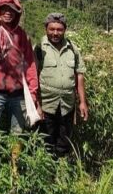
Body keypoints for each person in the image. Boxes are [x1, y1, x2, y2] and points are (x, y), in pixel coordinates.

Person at [0, 0, 41, 134]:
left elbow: (30, 65)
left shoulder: (22, 35)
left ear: (17, 13)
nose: (8, 12)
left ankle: (15, 157)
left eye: (12, 10)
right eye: (4, 9)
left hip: (17, 94)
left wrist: (33, 92)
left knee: (17, 133)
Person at [35, 12, 89, 157]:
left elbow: (80, 74)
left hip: (67, 104)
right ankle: (46, 172)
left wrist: (82, 102)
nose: (55, 33)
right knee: (46, 141)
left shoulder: (72, 48)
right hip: (46, 104)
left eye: (59, 29)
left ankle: (61, 172)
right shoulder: (39, 48)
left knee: (64, 141)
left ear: (64, 30)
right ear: (46, 29)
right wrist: (37, 104)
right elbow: (32, 77)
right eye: (52, 29)